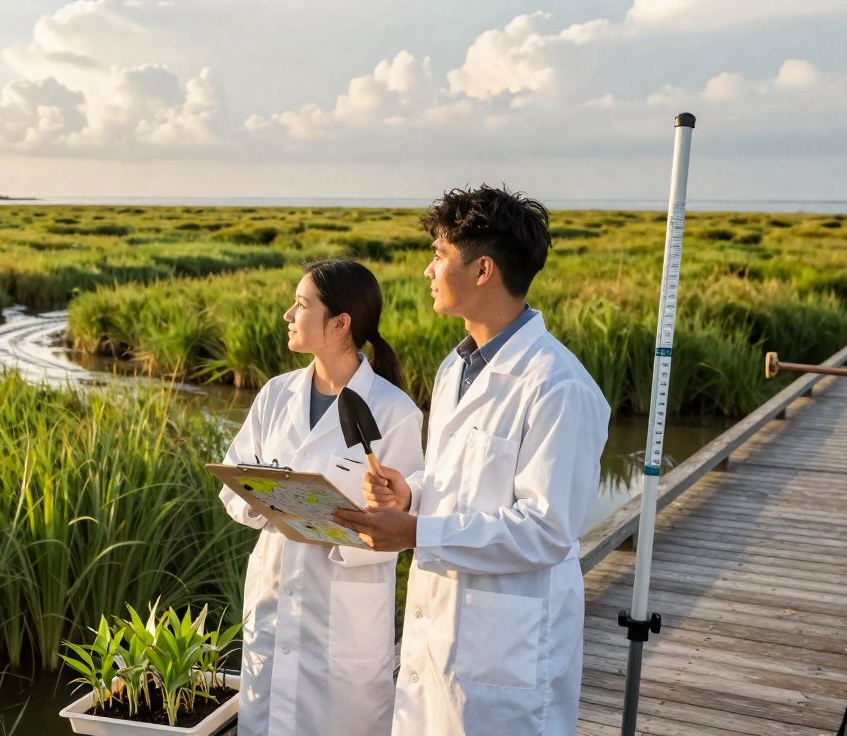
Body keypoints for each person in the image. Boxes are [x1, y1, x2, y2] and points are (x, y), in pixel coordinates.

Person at [334, 186, 611, 736]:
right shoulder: (455, 367)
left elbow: (546, 531)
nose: (427, 270)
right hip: (439, 635)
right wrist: (410, 491)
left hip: (505, 656)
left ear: (483, 270)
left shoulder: (558, 386)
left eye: (439, 255)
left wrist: (416, 531)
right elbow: (456, 479)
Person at [219, 259, 425, 736]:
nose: (288, 315)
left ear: (340, 323)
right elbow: (232, 488)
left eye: (301, 305)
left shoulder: (394, 411)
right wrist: (260, 496)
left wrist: (377, 510)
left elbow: (407, 522)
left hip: (344, 616)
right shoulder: (274, 395)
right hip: (274, 601)